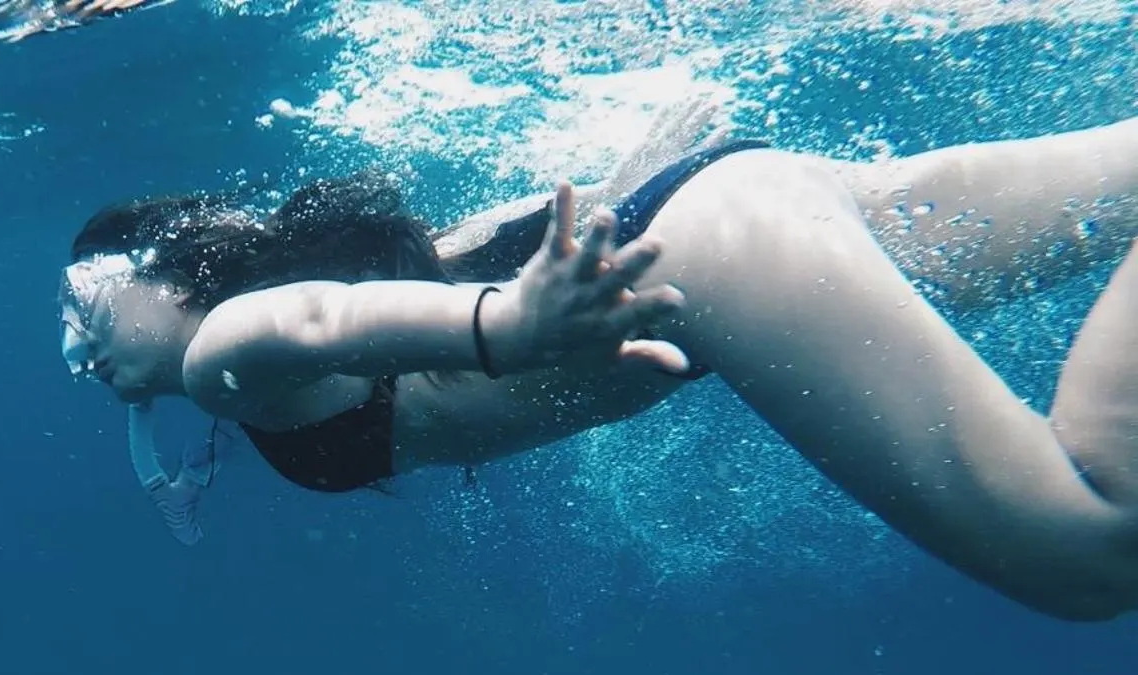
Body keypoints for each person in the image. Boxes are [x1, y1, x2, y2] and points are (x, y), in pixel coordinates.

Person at [56, 103, 1138, 622]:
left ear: (176, 272)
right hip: (734, 219)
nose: (73, 343)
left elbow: (318, 325)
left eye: (84, 301)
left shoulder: (220, 357)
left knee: (1079, 545)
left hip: (719, 262)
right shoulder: (324, 299)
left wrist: (505, 332)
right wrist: (631, 179)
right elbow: (469, 251)